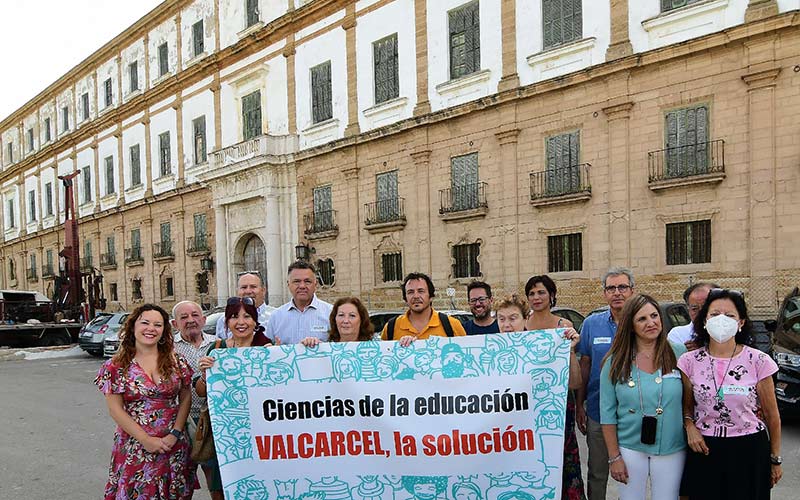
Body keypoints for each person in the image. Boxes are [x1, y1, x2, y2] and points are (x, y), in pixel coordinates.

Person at [678, 288, 782, 500]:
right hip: (705, 448)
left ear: (741, 322)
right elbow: (686, 407)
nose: (722, 320)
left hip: (749, 450)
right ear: (705, 321)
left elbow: (772, 416)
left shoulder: (759, 361)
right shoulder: (689, 362)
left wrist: (775, 459)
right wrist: (689, 426)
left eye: (730, 315)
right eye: (715, 315)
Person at [94, 304, 195, 499]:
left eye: (158, 325)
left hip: (172, 444)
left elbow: (185, 396)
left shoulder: (177, 361)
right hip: (135, 444)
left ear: (164, 330)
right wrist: (145, 440)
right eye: (145, 323)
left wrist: (175, 432)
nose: (151, 329)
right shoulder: (116, 366)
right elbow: (115, 410)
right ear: (133, 327)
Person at [494, 294, 583, 500]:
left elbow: (575, 383)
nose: (507, 324)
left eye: (513, 318)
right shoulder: (485, 353)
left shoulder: (545, 347)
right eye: (502, 319)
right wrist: (411, 347)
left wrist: (568, 352)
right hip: (509, 442)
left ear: (526, 319)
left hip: (548, 439)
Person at [600, 294, 687, 500]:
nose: (651, 323)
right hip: (630, 447)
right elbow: (607, 413)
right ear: (630, 325)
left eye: (654, 316)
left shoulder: (678, 353)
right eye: (642, 319)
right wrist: (614, 457)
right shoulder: (614, 362)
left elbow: (690, 401)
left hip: (671, 447)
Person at [523, 275, 586, 500]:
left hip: (558, 403)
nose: (536, 297)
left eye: (541, 292)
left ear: (551, 295)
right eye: (531, 293)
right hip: (528, 404)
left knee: (562, 456)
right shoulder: (521, 326)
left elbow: (576, 381)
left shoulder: (563, 326)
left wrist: (570, 350)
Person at [576, 267, 635, 500]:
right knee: (597, 473)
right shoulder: (591, 324)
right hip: (598, 410)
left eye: (622, 287)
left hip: (634, 413)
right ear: (604, 293)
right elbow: (585, 365)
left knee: (632, 473)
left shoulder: (642, 321)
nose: (617, 292)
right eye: (611, 288)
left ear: (632, 290)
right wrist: (580, 404)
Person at [170, 300, 222, 500]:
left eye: (194, 315)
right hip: (181, 422)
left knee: (215, 478)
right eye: (184, 317)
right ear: (175, 324)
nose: (190, 320)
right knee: (180, 480)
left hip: (210, 422)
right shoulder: (168, 349)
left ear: (203, 319)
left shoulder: (218, 344)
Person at [381, 272, 467, 345]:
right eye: (410, 292)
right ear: (405, 298)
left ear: (431, 296)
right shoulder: (391, 327)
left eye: (421, 291)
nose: (416, 296)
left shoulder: (452, 325)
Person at [266, 260, 333, 345]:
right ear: (288, 284)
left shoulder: (331, 313)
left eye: (307, 281)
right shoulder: (276, 317)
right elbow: (268, 350)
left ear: (315, 284)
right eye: (297, 281)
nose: (302, 286)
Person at [216, 272, 271, 340]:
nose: (248, 291)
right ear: (237, 291)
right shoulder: (224, 320)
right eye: (244, 287)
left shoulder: (276, 316)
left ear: (263, 290)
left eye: (253, 287)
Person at [301, 296, 376, 346]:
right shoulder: (326, 348)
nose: (346, 321)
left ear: (361, 319)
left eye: (352, 316)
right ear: (335, 319)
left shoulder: (377, 345)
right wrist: (311, 346)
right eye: (341, 315)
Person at [667, 282, 718, 351]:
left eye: (706, 307)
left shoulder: (731, 331)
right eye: (694, 309)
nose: (701, 313)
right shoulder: (678, 334)